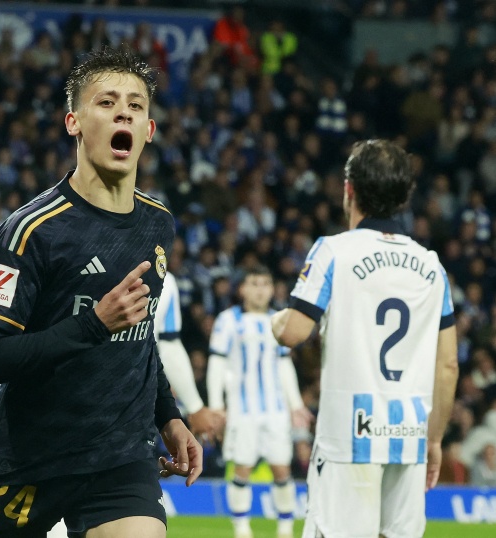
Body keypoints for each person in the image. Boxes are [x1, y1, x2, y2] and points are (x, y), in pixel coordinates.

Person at [0, 47, 202, 538]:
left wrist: (169, 417)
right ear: (73, 122)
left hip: (119, 459)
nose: (123, 113)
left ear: (148, 130)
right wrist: (94, 324)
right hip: (29, 460)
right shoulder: (31, 231)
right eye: (107, 102)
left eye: (135, 106)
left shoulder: (158, 224)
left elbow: (139, 338)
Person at [271, 139, 459, 538]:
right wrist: (435, 440)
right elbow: (448, 365)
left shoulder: (334, 251)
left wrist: (275, 321)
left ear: (349, 189)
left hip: (349, 435)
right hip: (409, 436)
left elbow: (293, 332)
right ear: (404, 196)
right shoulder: (432, 266)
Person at [207, 266, 311, 538]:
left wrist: (295, 404)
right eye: (254, 283)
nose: (260, 290)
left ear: (272, 288)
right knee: (242, 468)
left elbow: (284, 364)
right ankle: (242, 529)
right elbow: (216, 363)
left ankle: (285, 530)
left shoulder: (279, 320)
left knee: (282, 468)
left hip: (275, 410)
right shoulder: (228, 320)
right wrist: (216, 404)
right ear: (242, 289)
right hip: (242, 410)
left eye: (265, 283)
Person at [155, 271, 225, 439]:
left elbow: (168, 346)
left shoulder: (166, 280)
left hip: (134, 402)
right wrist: (195, 407)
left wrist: (195, 407)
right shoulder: (165, 279)